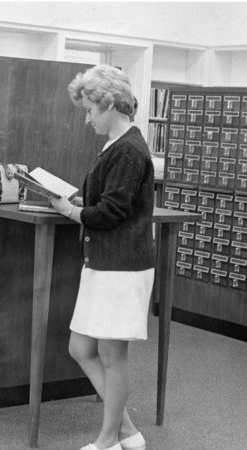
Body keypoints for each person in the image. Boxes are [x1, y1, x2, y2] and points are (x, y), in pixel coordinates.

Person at [49, 64, 155, 450]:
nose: (87, 119)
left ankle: (108, 439)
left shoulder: (128, 148)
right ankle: (127, 431)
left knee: (112, 353)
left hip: (122, 266)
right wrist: (78, 200)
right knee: (80, 347)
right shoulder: (116, 145)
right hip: (104, 262)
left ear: (110, 103)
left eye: (90, 110)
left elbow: (111, 212)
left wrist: (70, 211)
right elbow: (108, 198)